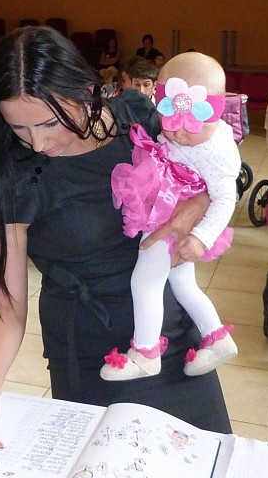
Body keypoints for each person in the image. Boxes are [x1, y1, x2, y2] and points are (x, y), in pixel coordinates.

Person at [0, 26, 232, 458]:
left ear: (86, 90)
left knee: (204, 466)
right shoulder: (9, 174)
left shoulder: (137, 116)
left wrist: (196, 207)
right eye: (18, 127)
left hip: (174, 333)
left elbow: (218, 166)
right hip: (94, 352)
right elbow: (7, 304)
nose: (38, 142)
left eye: (49, 122)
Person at [101, 52, 239, 381]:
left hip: (173, 220)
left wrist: (201, 237)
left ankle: (146, 352)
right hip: (168, 204)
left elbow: (225, 198)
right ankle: (216, 338)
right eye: (171, 121)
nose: (178, 134)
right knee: (182, 282)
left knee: (145, 280)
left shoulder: (216, 151)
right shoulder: (199, 136)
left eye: (189, 126)